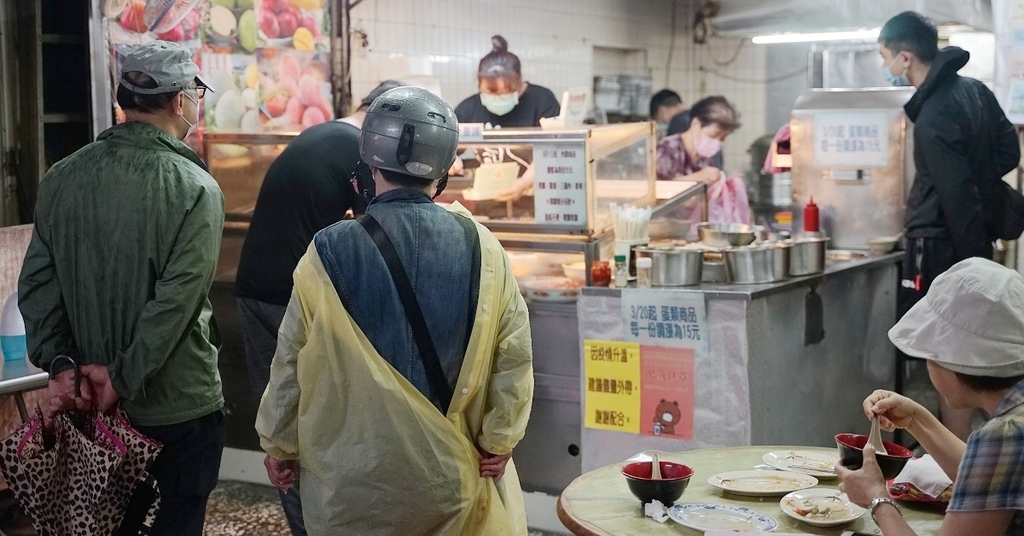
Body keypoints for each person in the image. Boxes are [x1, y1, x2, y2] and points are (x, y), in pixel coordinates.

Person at [255, 86, 534, 535]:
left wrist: (279, 441)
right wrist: (499, 440)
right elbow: (514, 355)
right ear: (442, 171)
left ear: (368, 163)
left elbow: (289, 360)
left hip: (353, 488)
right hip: (453, 482)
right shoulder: (484, 247)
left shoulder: (327, 249)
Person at [18, 41, 225, 535]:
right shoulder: (196, 188)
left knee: (107, 525)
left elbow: (38, 286)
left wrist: (63, 364)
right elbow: (176, 305)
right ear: (180, 101)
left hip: (90, 402)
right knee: (176, 521)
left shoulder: (62, 177)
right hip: (176, 404)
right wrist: (123, 377)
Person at [234, 79, 403, 536]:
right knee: (309, 424)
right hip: (288, 297)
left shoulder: (326, 135)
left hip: (256, 288)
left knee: (283, 421)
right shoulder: (357, 150)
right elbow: (388, 223)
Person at [879, 11, 1020, 441]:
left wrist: (974, 268)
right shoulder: (976, 90)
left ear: (905, 57)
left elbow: (955, 195)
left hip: (940, 244)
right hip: (969, 239)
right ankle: (965, 455)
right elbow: (1009, 153)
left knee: (944, 354)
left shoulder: (935, 113)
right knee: (967, 352)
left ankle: (954, 462)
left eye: (885, 57)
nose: (885, 67)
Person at [835, 257, 1024, 536]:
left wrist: (877, 499)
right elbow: (985, 480)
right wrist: (915, 419)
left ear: (952, 362)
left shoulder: (1004, 433)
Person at [656, 95, 739, 183]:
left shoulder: (707, 156)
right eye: (713, 135)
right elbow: (655, 190)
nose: (716, 142)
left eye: (722, 139)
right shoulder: (666, 150)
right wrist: (697, 177)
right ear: (695, 124)